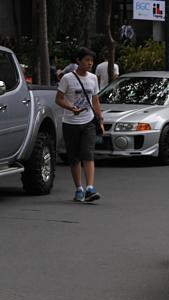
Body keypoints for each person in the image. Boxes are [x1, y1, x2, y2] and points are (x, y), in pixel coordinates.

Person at [55, 47, 104, 202]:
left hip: (88, 121)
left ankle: (90, 188)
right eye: (87, 60)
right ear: (78, 61)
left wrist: (100, 119)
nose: (90, 63)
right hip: (70, 122)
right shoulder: (67, 78)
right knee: (74, 157)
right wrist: (71, 108)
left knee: (88, 154)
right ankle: (79, 189)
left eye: (92, 61)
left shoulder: (93, 78)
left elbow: (95, 100)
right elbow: (59, 99)